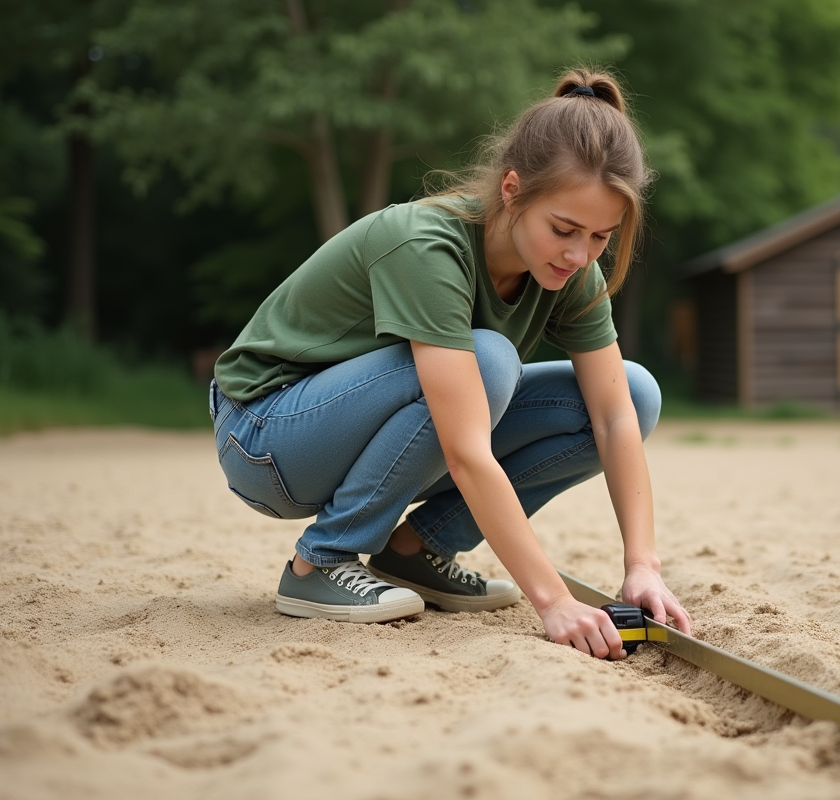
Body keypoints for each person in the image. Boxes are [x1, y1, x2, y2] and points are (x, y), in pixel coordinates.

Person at [208, 68, 691, 660]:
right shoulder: (427, 246)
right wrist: (554, 601)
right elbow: (465, 450)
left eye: (600, 237)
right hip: (265, 436)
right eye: (563, 229)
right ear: (512, 189)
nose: (579, 253)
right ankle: (319, 564)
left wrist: (642, 565)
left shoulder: (570, 271)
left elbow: (616, 417)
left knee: (638, 393)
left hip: (361, 432)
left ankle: (415, 552)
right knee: (488, 361)